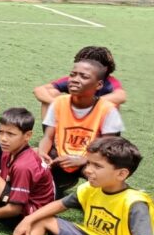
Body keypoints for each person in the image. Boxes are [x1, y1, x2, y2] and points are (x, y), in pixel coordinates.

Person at [0, 137, 154, 235]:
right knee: (44, 218)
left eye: (97, 166)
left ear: (121, 174)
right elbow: (59, 205)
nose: (87, 170)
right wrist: (29, 219)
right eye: (88, 163)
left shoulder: (135, 203)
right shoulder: (89, 189)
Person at [37, 58, 123, 194]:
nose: (75, 80)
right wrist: (42, 153)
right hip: (60, 157)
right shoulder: (59, 103)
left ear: (99, 85)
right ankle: (59, 184)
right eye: (72, 75)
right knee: (30, 158)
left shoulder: (108, 110)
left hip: (91, 159)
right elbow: (48, 137)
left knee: (109, 171)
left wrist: (83, 160)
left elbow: (108, 148)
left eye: (84, 77)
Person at [32, 45, 127, 114]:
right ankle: (52, 135)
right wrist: (57, 103)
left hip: (96, 121)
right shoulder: (72, 79)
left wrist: (88, 104)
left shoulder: (109, 82)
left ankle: (106, 136)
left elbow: (121, 96)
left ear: (105, 68)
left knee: (113, 104)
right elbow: (39, 90)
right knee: (52, 93)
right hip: (73, 117)